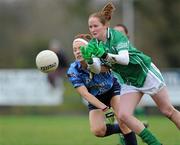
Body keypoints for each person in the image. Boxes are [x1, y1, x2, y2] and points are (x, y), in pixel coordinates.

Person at [80, 2, 180, 145]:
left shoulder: (116, 36)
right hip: (129, 81)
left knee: (168, 111)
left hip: (144, 73)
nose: (92, 29)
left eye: (96, 26)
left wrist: (105, 55)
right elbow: (97, 69)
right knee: (123, 115)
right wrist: (89, 61)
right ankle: (155, 143)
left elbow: (125, 60)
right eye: (90, 26)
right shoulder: (93, 44)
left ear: (105, 25)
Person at [67, 34, 138, 145]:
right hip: (95, 97)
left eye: (81, 48)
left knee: (123, 120)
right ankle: (124, 128)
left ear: (89, 48)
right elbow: (85, 94)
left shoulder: (99, 57)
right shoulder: (73, 70)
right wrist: (105, 108)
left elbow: (114, 66)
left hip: (111, 90)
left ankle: (126, 127)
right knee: (98, 131)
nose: (77, 52)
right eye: (74, 50)